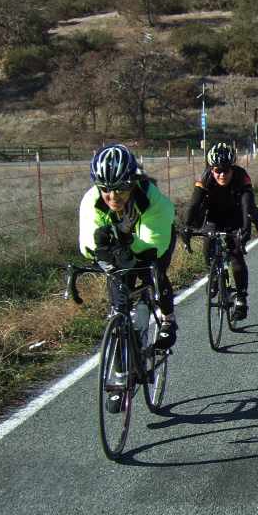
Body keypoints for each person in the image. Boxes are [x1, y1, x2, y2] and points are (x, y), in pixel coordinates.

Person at [79, 144, 178, 358]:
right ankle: (123, 363)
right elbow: (88, 243)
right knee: (119, 290)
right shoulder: (92, 200)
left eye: (120, 186)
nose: (112, 195)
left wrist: (127, 238)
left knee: (152, 272)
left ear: (132, 183)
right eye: (105, 188)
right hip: (123, 245)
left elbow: (154, 249)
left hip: (152, 243)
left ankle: (168, 319)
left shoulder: (151, 199)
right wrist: (100, 247)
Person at [179, 142, 258, 321]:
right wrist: (187, 225)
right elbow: (194, 204)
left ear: (233, 168)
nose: (222, 175)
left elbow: (247, 203)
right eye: (217, 171)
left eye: (226, 171)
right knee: (208, 241)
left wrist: (246, 228)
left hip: (237, 217)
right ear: (211, 169)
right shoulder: (205, 178)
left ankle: (241, 300)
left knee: (236, 255)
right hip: (214, 217)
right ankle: (212, 273)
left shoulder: (241, 177)